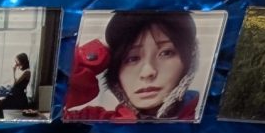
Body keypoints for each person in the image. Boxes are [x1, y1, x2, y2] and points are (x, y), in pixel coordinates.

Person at [66, 12, 203, 122]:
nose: (147, 72)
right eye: (132, 58)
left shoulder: (208, 126)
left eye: (166, 53)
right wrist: (96, 53)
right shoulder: (91, 124)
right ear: (115, 69)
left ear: (188, 61)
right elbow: (54, 92)